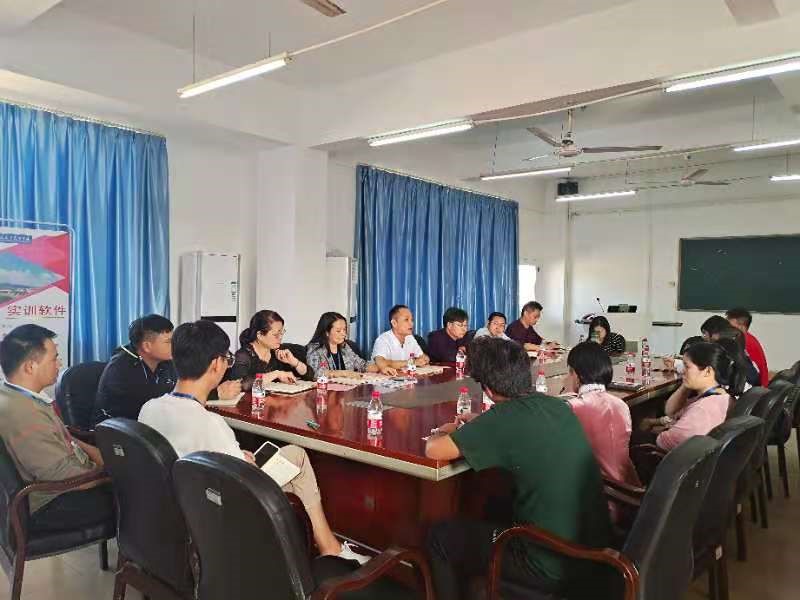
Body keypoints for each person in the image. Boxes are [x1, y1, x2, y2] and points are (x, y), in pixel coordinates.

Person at [139, 320, 368, 564]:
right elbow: (241, 480)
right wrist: (245, 462)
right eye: (226, 358)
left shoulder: (149, 408)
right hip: (219, 507)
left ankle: (309, 545)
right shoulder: (210, 423)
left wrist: (239, 457)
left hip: (173, 510)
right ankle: (326, 548)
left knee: (288, 456)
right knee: (298, 459)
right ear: (216, 364)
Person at [425, 337, 611, 600]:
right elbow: (515, 426)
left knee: (440, 536)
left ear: (488, 389)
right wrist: (482, 423)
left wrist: (444, 430)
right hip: (593, 553)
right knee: (494, 503)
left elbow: (434, 450)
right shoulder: (557, 406)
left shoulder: (502, 420)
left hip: (547, 562)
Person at [0, 325, 113, 531]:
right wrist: (111, 472)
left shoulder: (12, 394)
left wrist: (99, 457)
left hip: (62, 482)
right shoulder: (25, 415)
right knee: (139, 495)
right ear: (30, 367)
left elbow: (65, 438)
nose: (59, 364)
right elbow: (64, 476)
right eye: (54, 359)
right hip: (51, 502)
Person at [93, 314, 242, 425]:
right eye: (168, 342)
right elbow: (162, 401)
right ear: (147, 346)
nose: (175, 345)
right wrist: (216, 393)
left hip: (147, 432)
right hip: (115, 438)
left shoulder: (164, 362)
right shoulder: (122, 368)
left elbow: (182, 387)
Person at [639, 340, 744, 451]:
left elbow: (663, 442)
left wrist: (655, 430)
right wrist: (686, 384)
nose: (682, 371)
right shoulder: (722, 396)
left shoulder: (702, 410)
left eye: (687, 366)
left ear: (707, 371)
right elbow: (670, 411)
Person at [564, 342, 640, 492]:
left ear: (576, 375)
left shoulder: (574, 407)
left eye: (569, 373)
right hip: (629, 490)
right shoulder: (621, 405)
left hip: (601, 494)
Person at [228, 310, 312, 391]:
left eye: (281, 333)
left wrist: (294, 362)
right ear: (259, 335)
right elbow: (240, 384)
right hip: (254, 400)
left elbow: (310, 376)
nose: (280, 337)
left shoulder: (279, 351)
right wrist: (276, 374)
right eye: (276, 335)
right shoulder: (243, 355)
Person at [306, 312, 384, 377]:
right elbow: (313, 374)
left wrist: (381, 368)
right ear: (327, 332)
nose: (343, 334)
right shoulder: (314, 348)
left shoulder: (345, 346)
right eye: (338, 331)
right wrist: (343, 373)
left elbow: (362, 365)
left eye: (344, 329)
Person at [371, 305, 430, 372]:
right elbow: (381, 363)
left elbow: (422, 356)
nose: (411, 323)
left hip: (404, 376)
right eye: (406, 320)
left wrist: (424, 359)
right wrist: (411, 362)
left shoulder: (410, 338)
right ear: (394, 323)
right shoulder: (383, 340)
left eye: (412, 320)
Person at [726, 308, 769, 387]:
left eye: (729, 325)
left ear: (741, 327)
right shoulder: (746, 338)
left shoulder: (745, 342)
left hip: (755, 387)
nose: (725, 328)